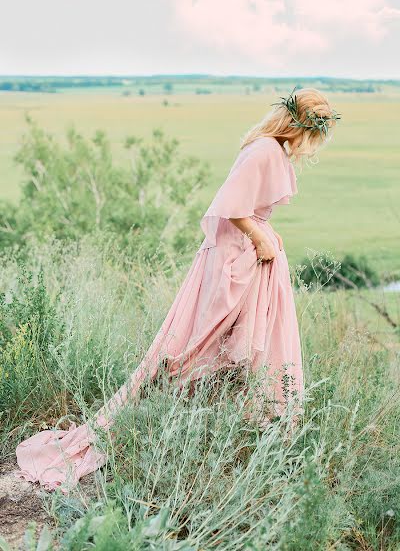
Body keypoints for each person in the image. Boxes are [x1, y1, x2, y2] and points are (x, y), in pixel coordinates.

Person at [14, 86, 340, 493]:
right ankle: (150, 428)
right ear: (303, 127)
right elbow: (231, 205)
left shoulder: (271, 149)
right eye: (316, 136)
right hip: (232, 262)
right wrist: (260, 238)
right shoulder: (264, 152)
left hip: (241, 259)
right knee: (196, 349)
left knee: (231, 352)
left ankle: (229, 437)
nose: (312, 147)